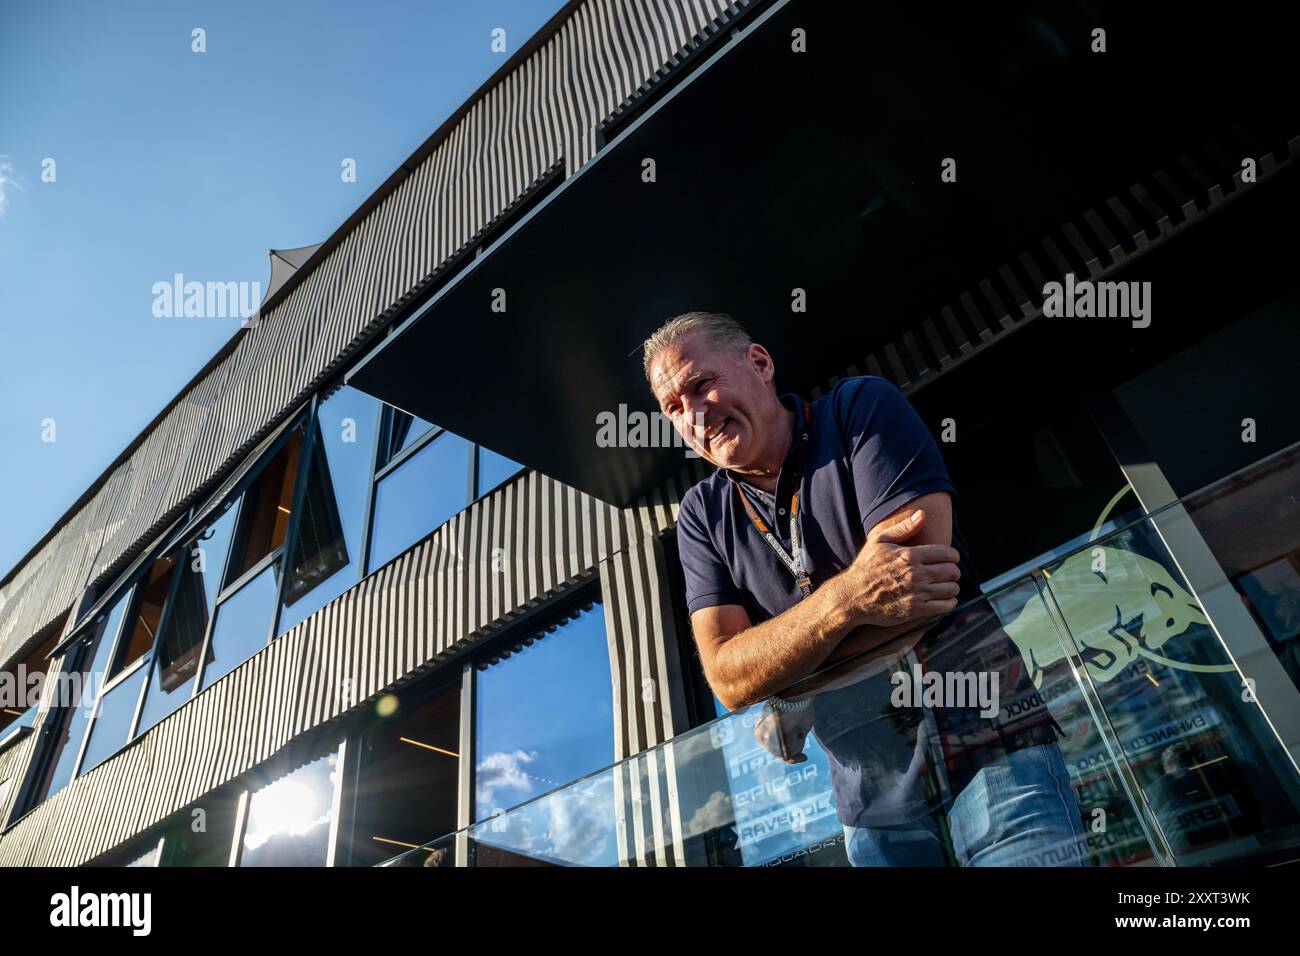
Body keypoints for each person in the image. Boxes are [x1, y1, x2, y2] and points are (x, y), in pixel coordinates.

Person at [644, 311, 1085, 866]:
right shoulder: (702, 514)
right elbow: (729, 679)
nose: (695, 414)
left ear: (758, 363)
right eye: (673, 408)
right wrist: (847, 599)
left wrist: (788, 673)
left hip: (992, 747)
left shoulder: (858, 409)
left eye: (701, 384)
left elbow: (919, 590)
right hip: (868, 800)